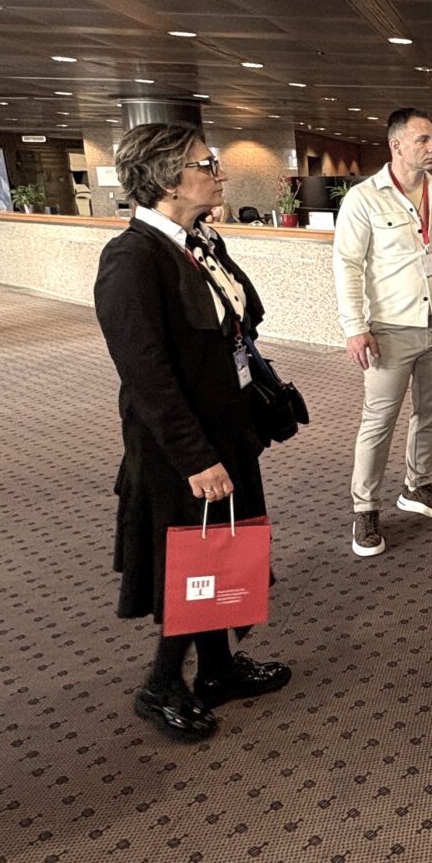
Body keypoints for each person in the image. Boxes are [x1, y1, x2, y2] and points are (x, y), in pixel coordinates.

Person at [94, 123, 290, 742]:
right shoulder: (130, 261)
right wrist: (194, 457)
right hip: (179, 445)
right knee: (192, 564)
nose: (218, 173)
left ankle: (217, 670)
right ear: (164, 180)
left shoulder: (196, 241)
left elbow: (243, 318)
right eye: (205, 164)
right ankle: (159, 684)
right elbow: (146, 375)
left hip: (224, 426)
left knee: (219, 549)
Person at [333, 107, 432, 557]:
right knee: (378, 421)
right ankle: (365, 509)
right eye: (422, 140)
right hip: (390, 329)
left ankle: (417, 487)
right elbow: (347, 265)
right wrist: (354, 326)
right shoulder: (364, 199)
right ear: (396, 144)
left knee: (430, 412)